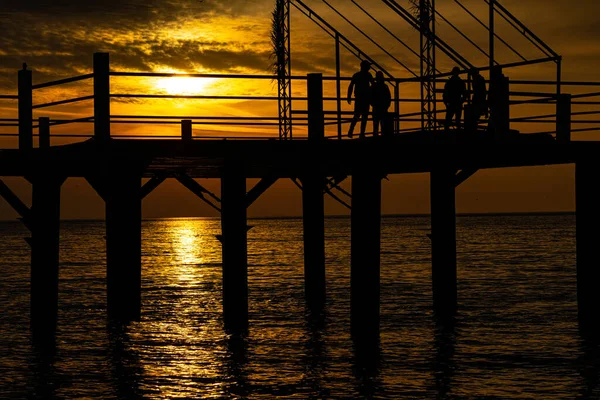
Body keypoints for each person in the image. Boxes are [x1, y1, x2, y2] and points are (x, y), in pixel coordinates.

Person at [347, 60, 374, 138]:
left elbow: (351, 85)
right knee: (364, 116)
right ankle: (361, 133)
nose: (369, 67)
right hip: (365, 99)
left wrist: (349, 96)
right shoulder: (368, 75)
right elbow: (373, 85)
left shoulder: (356, 75)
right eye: (368, 66)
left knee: (357, 115)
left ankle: (351, 131)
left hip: (359, 99)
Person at [443, 67, 466, 132]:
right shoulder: (461, 82)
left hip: (451, 102)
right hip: (457, 101)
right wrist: (462, 100)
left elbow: (445, 93)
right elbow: (464, 93)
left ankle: (447, 132)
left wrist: (445, 102)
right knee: (457, 119)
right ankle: (457, 132)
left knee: (449, 118)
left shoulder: (449, 82)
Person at [465, 67, 488, 132]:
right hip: (479, 98)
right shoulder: (479, 78)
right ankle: (473, 128)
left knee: (474, 114)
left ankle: (473, 129)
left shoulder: (477, 79)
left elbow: (478, 90)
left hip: (478, 98)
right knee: (475, 115)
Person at [371, 71, 392, 136]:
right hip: (382, 107)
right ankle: (382, 136)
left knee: (376, 123)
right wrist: (387, 105)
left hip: (377, 107)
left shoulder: (374, 86)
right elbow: (388, 97)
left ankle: (376, 135)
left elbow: (370, 96)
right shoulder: (385, 86)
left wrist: (373, 104)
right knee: (382, 123)